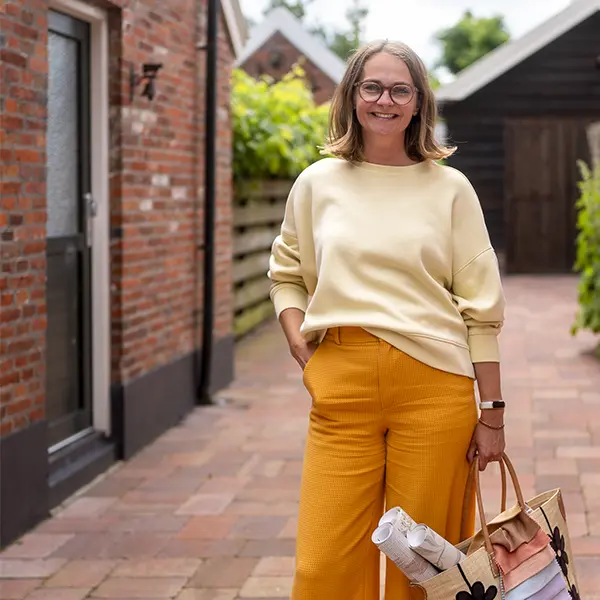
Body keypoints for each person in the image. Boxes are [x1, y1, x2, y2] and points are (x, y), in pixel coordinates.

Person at [267, 39, 506, 600]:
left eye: (401, 89)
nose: (385, 100)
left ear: (420, 102)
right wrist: (299, 339)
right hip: (340, 385)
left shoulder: (450, 188)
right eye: (371, 87)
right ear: (351, 97)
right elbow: (286, 274)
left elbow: (482, 311)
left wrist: (492, 413)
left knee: (421, 573)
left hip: (435, 391)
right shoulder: (316, 183)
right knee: (321, 570)